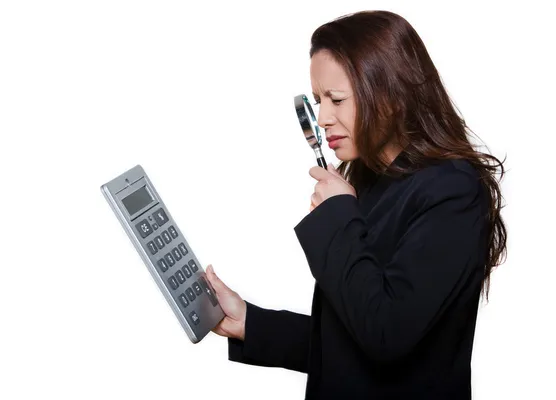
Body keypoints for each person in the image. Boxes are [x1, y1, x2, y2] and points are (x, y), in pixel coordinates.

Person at [204, 9, 507, 400]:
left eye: (337, 99)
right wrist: (249, 322)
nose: (323, 117)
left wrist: (338, 218)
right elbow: (348, 346)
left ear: (392, 97)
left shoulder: (452, 190)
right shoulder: (372, 184)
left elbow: (386, 335)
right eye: (317, 100)